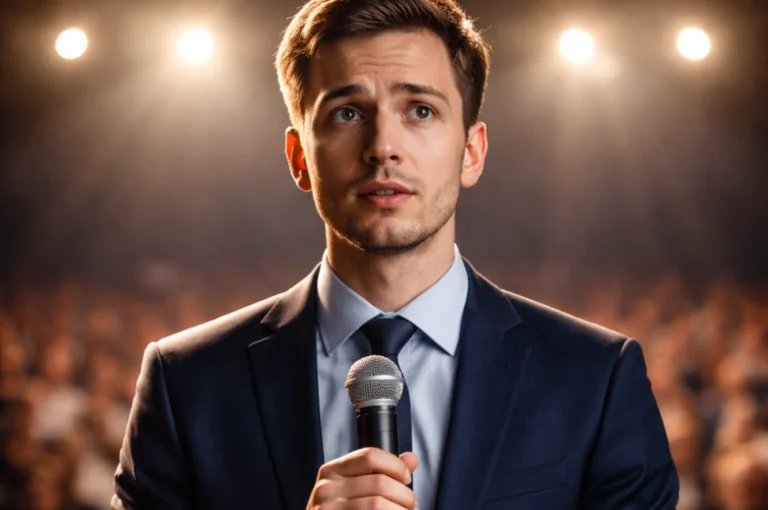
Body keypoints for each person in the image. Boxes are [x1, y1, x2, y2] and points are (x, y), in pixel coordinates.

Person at [111, 0, 679, 508]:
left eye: (421, 111)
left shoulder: (595, 378)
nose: (383, 146)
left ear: (472, 151)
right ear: (299, 157)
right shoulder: (186, 382)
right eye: (347, 113)